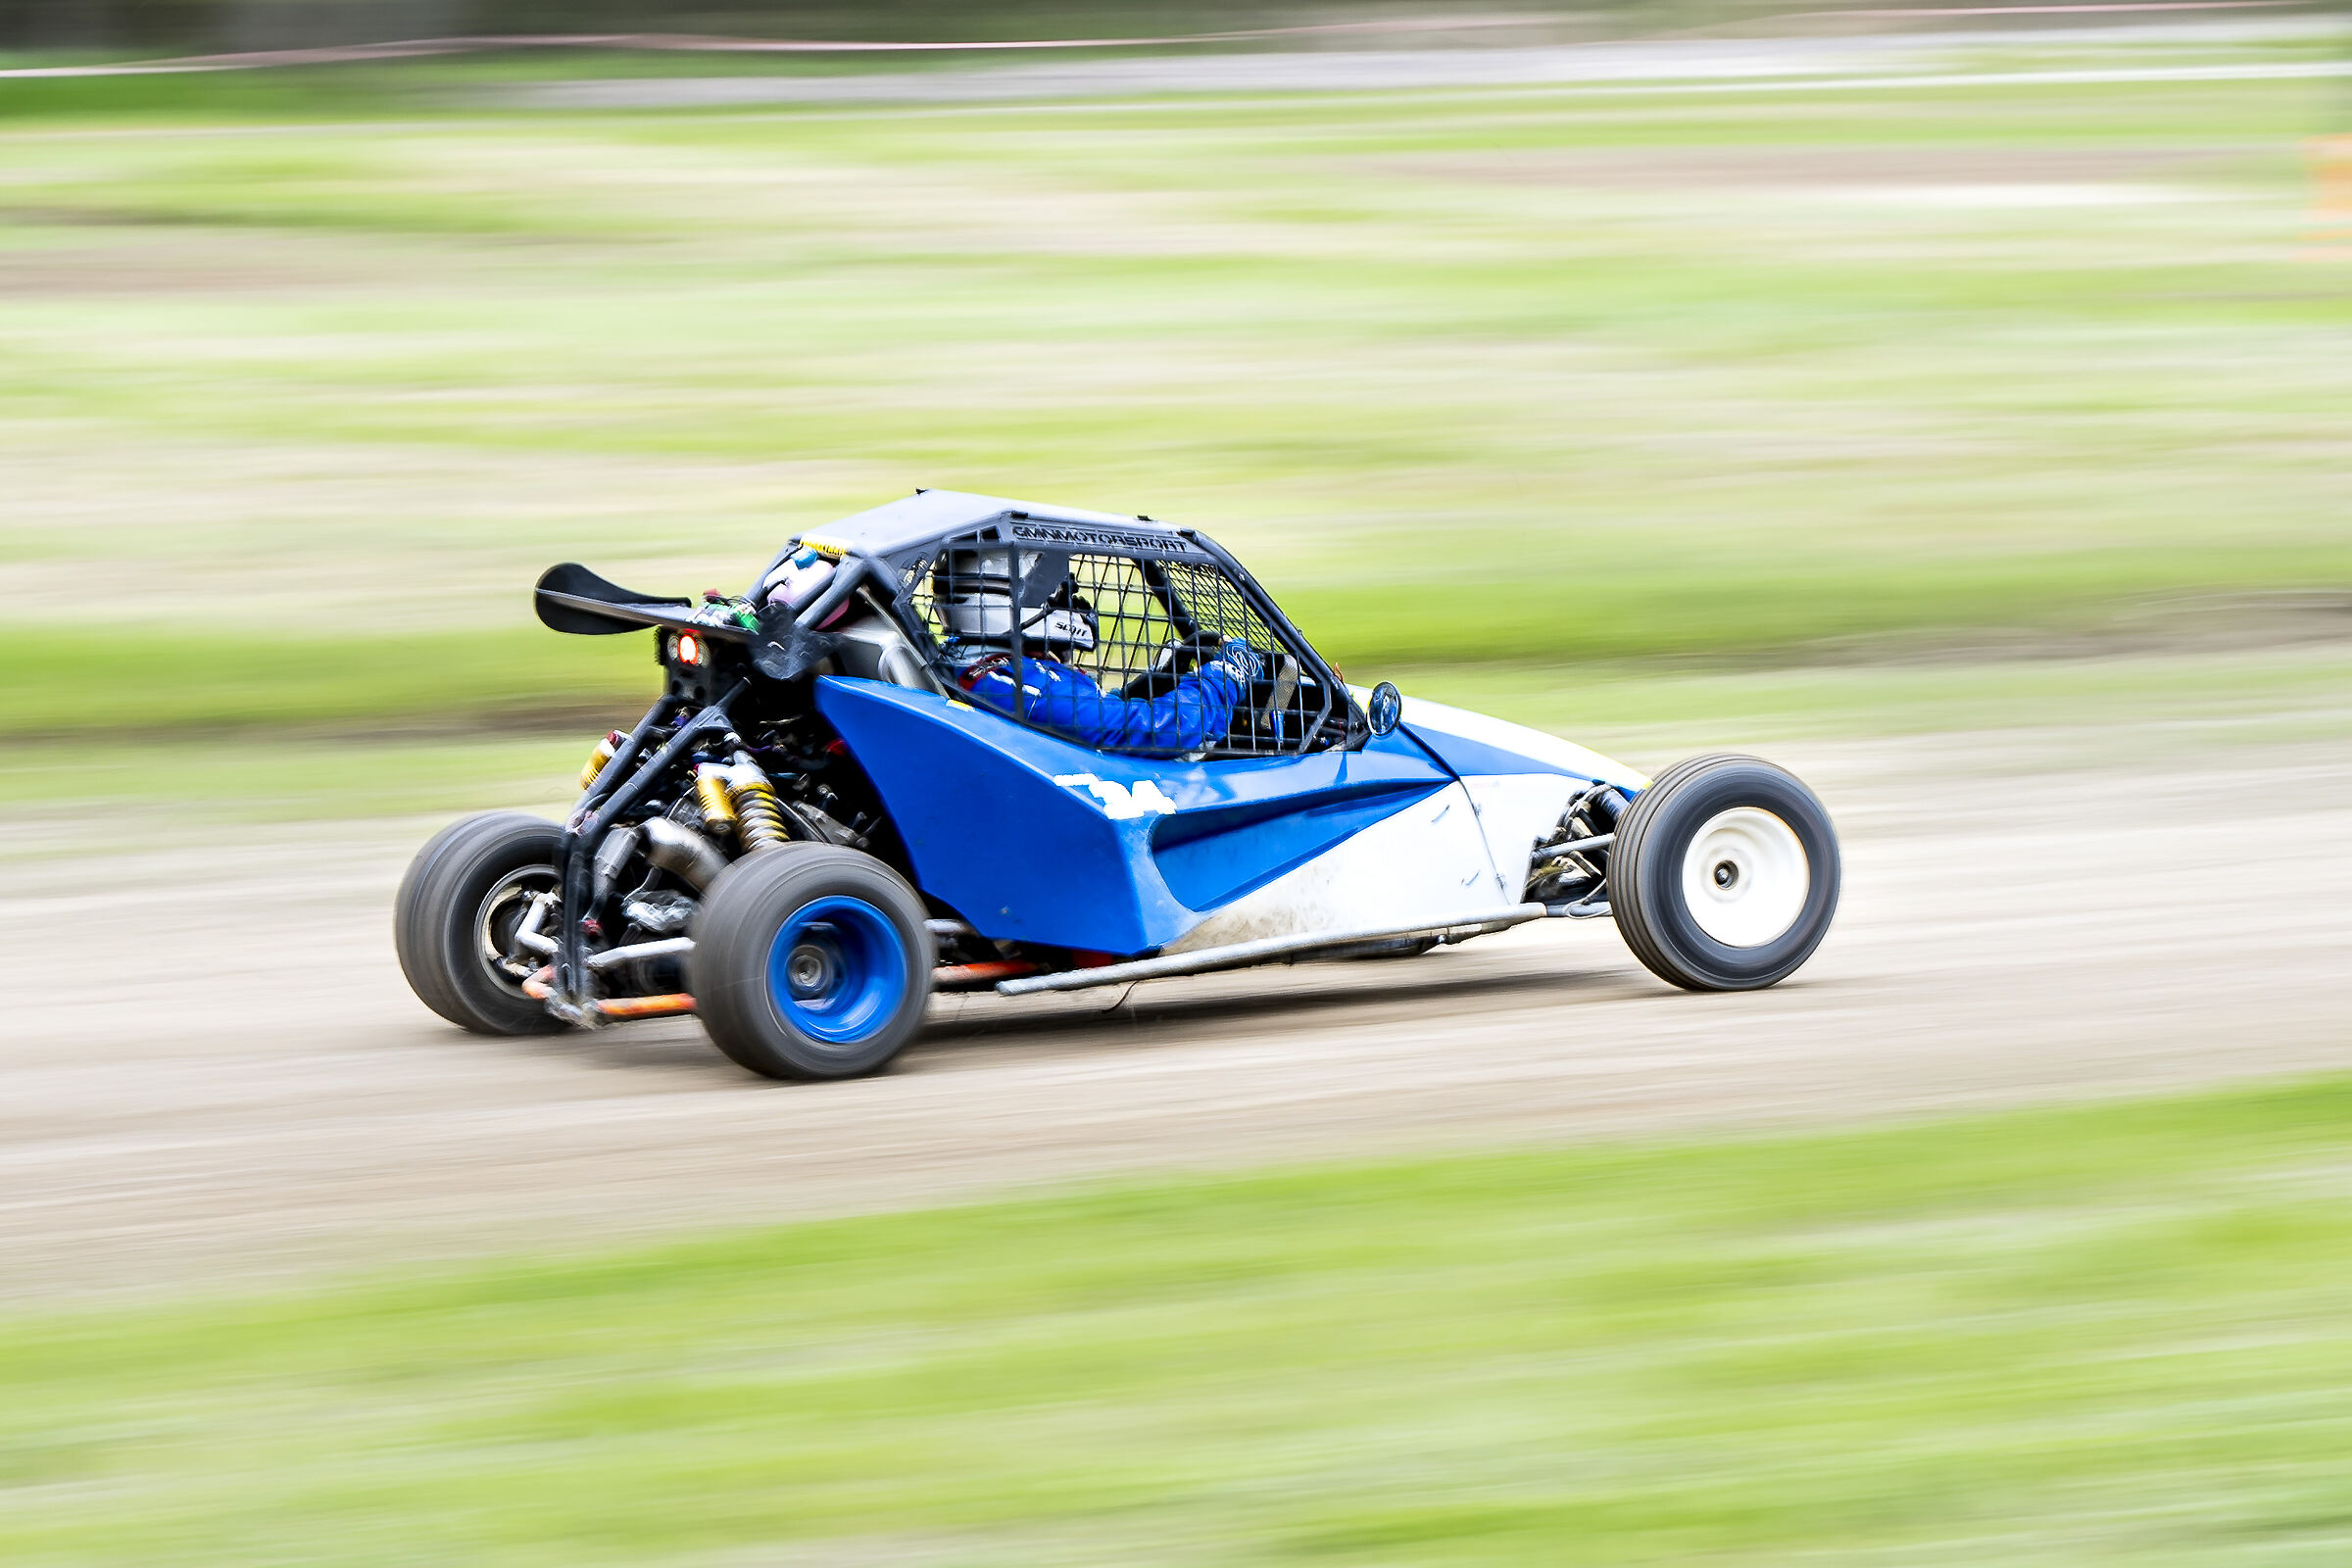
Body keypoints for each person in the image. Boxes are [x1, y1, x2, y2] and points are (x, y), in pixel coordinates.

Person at [933, 550, 1262, 753]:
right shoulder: (1014, 682)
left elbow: (1097, 716)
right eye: (1059, 593)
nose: (1073, 604)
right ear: (1006, 599)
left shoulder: (977, 668)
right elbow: (1160, 730)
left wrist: (1162, 679)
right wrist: (1225, 677)